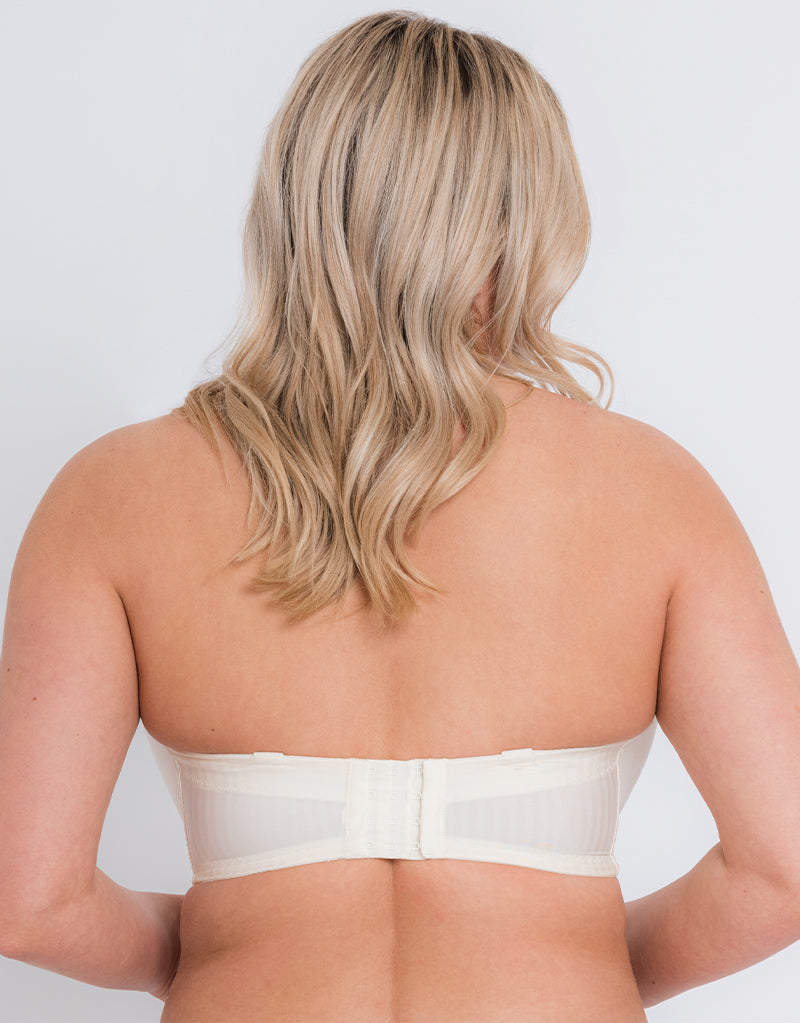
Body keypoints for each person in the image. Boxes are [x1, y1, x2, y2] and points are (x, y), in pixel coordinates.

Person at [1, 10, 799, 1022]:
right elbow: (785, 868)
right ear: (522, 222)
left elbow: (29, 904)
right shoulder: (653, 491)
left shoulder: (115, 494)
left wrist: (205, 958)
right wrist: (582, 965)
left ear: (296, 204)